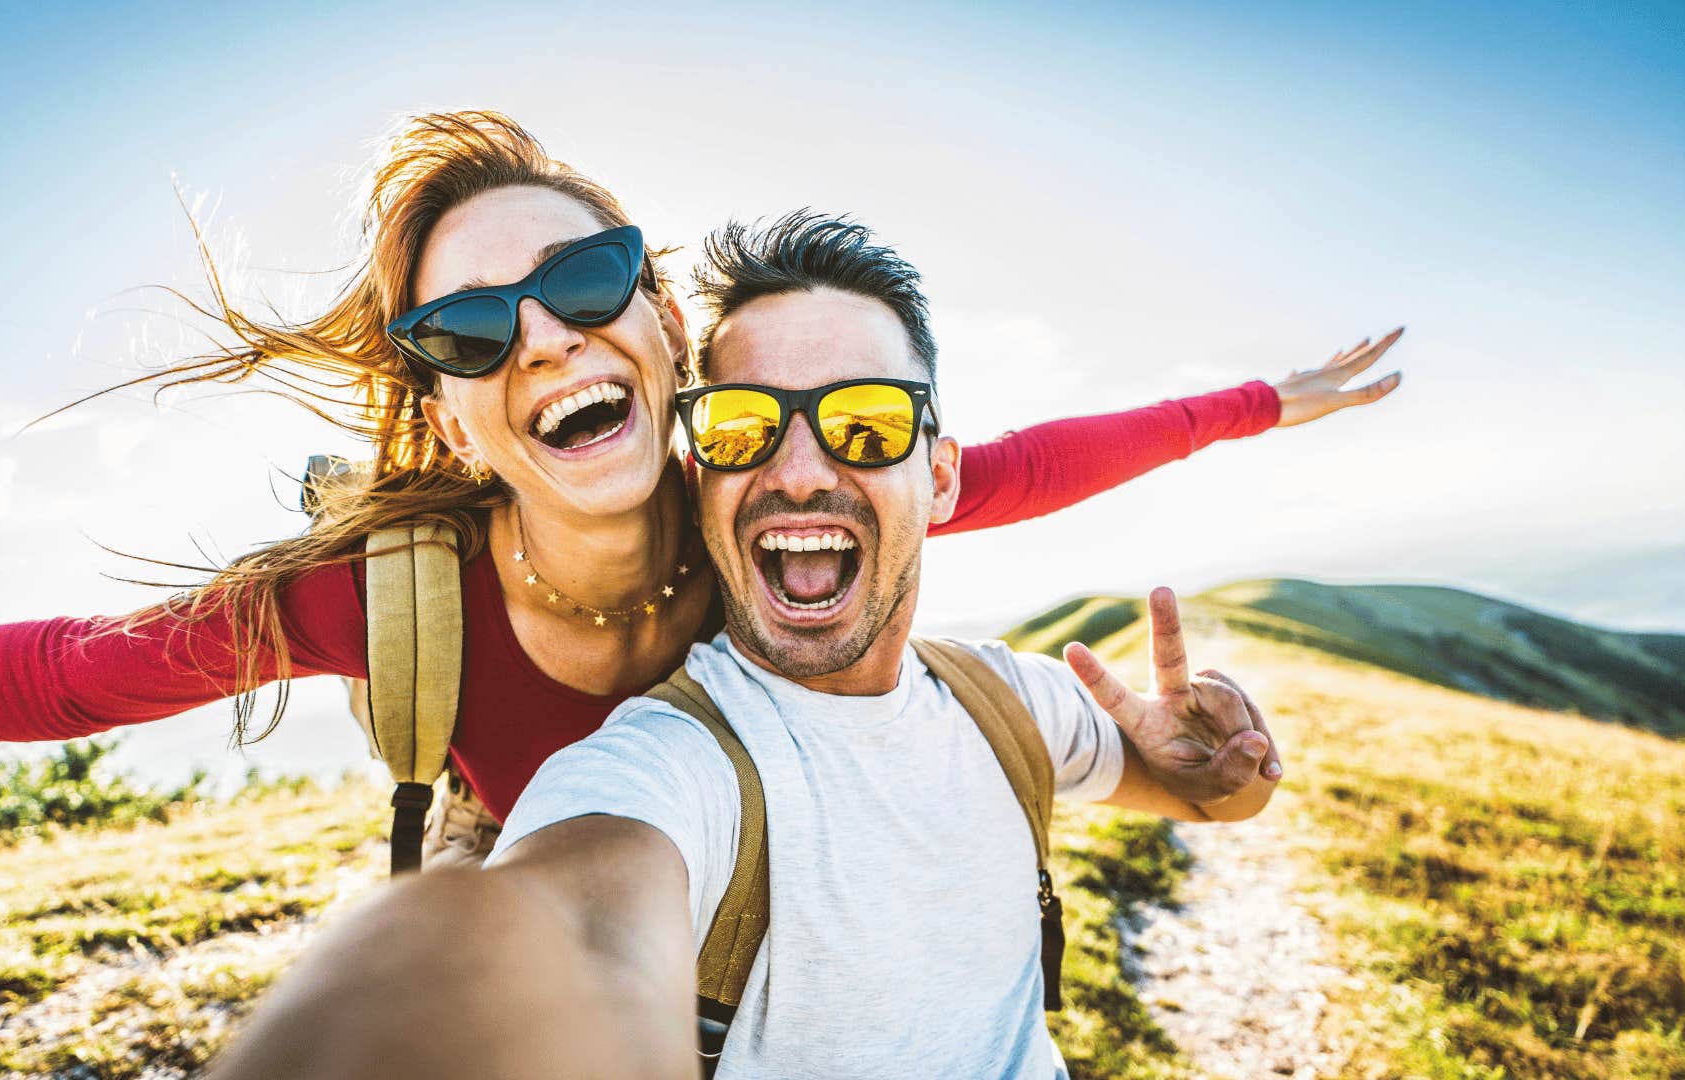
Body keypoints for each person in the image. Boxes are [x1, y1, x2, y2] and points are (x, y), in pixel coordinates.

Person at [0, 111, 1397, 837]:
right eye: (470, 328)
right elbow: (68, 680)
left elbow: (1027, 465)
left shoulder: (767, 497)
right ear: (446, 411)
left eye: (586, 271)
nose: (542, 332)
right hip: (544, 894)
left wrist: (1268, 399)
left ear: (665, 315)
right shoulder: (390, 597)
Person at [204, 213, 1285, 1080]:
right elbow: (565, 925)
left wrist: (1221, 778)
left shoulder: (1011, 703)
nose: (802, 470)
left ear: (943, 477)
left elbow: (1210, 800)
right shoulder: (664, 769)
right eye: (741, 427)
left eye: (864, 422)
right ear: (698, 471)